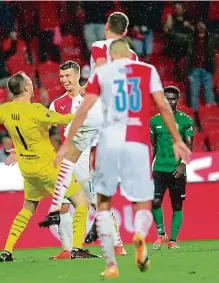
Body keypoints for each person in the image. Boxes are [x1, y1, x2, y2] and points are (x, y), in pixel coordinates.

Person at [57, 39, 191, 278]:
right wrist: (178, 139)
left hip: (107, 144)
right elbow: (162, 106)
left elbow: (85, 112)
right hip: (137, 143)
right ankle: (139, 234)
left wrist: (68, 143)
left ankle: (111, 262)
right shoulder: (144, 73)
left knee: (103, 202)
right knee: (141, 203)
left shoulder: (102, 78)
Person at [0, 72, 98, 261]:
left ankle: (7, 251)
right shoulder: (36, 110)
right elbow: (64, 119)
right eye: (30, 83)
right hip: (48, 168)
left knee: (28, 208)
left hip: (28, 170)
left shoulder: (5, 110)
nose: (32, 85)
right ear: (25, 88)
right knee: (81, 202)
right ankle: (77, 249)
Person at [39, 12, 136, 248]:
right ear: (124, 31)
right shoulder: (132, 55)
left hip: (97, 108)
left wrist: (88, 90)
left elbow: (101, 74)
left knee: (68, 155)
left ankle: (55, 209)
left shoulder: (99, 46)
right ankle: (116, 244)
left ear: (106, 28)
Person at [49, 61, 125, 259]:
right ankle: (67, 249)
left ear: (77, 77)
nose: (64, 80)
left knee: (95, 202)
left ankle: (117, 244)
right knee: (63, 205)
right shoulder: (56, 104)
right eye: (61, 77)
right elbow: (44, 130)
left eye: (68, 76)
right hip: (67, 159)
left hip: (85, 158)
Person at [151, 86, 194, 249]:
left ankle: (173, 240)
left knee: (177, 205)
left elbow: (190, 145)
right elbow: (153, 145)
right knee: (155, 201)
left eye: (173, 99)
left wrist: (183, 164)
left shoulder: (185, 120)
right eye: (166, 98)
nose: (170, 101)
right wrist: (149, 165)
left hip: (177, 170)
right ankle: (161, 235)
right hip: (160, 168)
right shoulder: (154, 121)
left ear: (178, 100)